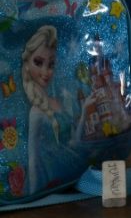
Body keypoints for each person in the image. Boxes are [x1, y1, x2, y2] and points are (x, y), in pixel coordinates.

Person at [21, 25, 88, 195]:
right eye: (38, 62)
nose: (45, 72)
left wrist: (85, 111)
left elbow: (75, 142)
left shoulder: (57, 101)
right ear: (27, 64)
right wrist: (33, 197)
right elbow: (33, 161)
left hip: (76, 181)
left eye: (51, 64)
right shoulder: (36, 112)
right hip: (49, 184)